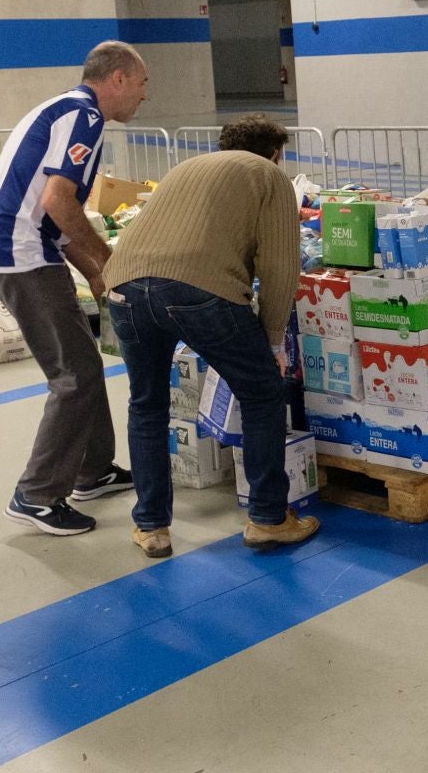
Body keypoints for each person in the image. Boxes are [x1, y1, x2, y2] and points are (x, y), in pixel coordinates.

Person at [102, 115, 314, 560]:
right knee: (261, 393)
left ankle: (151, 527)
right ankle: (268, 518)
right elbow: (279, 265)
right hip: (196, 291)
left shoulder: (187, 168)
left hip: (123, 286)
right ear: (276, 153)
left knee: (147, 404)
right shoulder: (269, 176)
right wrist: (274, 340)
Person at [0, 41, 147, 537]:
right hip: (20, 257)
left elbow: (51, 216)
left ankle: (92, 473)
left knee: (83, 366)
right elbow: (57, 202)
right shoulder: (83, 116)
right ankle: (36, 495)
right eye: (141, 84)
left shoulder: (63, 110)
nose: (143, 96)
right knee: (74, 374)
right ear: (117, 78)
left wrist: (94, 271)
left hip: (26, 249)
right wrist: (109, 258)